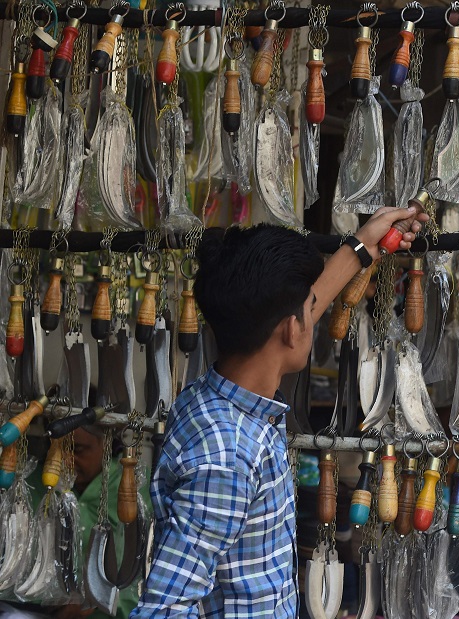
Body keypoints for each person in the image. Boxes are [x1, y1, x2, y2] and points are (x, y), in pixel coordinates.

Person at [130, 208, 426, 618]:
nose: (315, 312)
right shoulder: (228, 455)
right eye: (310, 309)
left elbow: (300, 308)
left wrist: (362, 246)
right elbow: (162, 609)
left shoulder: (213, 397)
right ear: (291, 330)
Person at [25, 427, 151, 619]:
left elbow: (150, 565)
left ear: (106, 443)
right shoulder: (32, 483)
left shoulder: (137, 489)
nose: (65, 460)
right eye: (58, 449)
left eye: (78, 449)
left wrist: (96, 601)